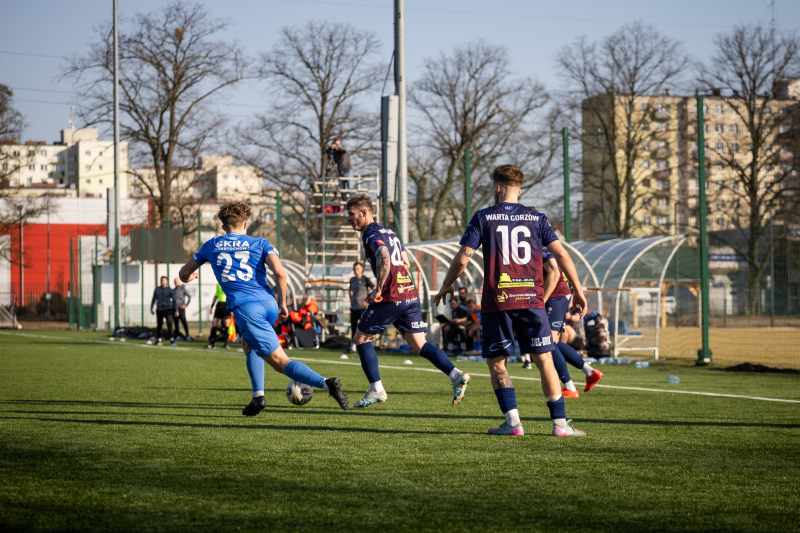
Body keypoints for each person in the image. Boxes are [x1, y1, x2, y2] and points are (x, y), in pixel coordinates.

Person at [434, 165, 588, 437]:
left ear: (497, 187)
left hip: (498, 302)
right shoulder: (537, 218)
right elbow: (561, 258)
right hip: (532, 300)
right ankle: (561, 426)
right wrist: (578, 290)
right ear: (520, 188)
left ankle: (514, 424)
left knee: (497, 363)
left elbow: (462, 258)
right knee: (545, 360)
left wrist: (446, 285)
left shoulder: (484, 217)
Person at [178, 201, 349, 416]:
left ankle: (327, 383)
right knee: (248, 344)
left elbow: (184, 273)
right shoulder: (260, 243)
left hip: (246, 308)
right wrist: (283, 302)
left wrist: (188, 278)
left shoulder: (212, 245)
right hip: (268, 304)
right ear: (246, 224)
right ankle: (258, 397)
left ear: (223, 227)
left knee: (280, 361)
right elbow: (280, 274)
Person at [345, 194, 471, 408]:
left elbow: (384, 257)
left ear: (364, 212)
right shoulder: (389, 231)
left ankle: (376, 390)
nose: (348, 219)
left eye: (351, 214)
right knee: (418, 344)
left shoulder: (371, 233)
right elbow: (404, 261)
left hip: (391, 294)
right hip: (408, 292)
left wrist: (379, 288)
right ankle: (456, 375)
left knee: (361, 338)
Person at [542, 249, 603, 395]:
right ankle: (589, 372)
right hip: (558, 296)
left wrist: (542, 301)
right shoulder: (541, 243)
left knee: (547, 342)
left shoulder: (540, 245)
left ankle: (569, 386)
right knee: (552, 342)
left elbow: (555, 271)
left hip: (555, 297)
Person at [347, 262, 374, 354]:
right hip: (354, 307)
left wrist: (368, 301)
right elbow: (350, 290)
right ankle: (352, 347)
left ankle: (365, 346)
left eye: (358, 268)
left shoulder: (365, 279)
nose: (356, 270)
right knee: (353, 328)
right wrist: (351, 300)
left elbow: (374, 288)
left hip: (363, 308)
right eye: (355, 268)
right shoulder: (352, 280)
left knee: (364, 328)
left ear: (362, 269)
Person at [150, 276, 178, 346]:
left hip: (168, 309)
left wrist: (176, 310)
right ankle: (159, 339)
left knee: (169, 323)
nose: (162, 282)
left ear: (166, 281)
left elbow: (174, 300)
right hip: (159, 309)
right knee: (159, 325)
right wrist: (151, 308)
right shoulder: (157, 289)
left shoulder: (170, 290)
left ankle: (172, 339)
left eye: (164, 280)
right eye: (161, 280)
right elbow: (154, 299)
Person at [208, 282, 231, 349]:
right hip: (219, 305)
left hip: (226, 305)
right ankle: (212, 342)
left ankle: (226, 343)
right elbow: (216, 295)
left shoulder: (229, 282)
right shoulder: (218, 283)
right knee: (214, 323)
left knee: (227, 324)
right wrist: (211, 307)